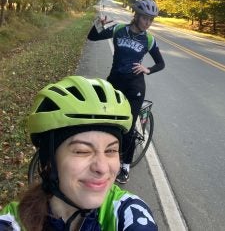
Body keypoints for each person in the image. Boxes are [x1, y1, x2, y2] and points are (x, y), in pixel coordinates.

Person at [0, 75, 158, 230]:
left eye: (111, 150)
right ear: (49, 159)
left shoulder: (128, 213)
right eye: (82, 151)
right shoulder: (13, 222)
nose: (102, 168)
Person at [88, 0, 165, 184]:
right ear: (137, 15)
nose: (148, 22)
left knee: (128, 128)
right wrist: (99, 24)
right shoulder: (118, 30)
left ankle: (125, 166)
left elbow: (161, 63)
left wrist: (147, 69)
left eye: (151, 20)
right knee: (105, 119)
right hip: (114, 82)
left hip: (134, 87)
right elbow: (92, 36)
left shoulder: (148, 39)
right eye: (145, 18)